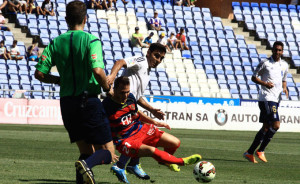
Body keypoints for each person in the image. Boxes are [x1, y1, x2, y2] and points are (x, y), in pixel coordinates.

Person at [34, 1, 118, 184]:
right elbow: (97, 70)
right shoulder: (91, 40)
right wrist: (107, 87)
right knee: (108, 153)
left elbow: (39, 73)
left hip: (67, 103)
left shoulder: (55, 43)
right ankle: (87, 166)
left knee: (86, 152)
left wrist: (58, 80)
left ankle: (84, 169)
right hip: (88, 101)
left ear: (66, 20)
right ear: (85, 19)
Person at [103, 76, 202, 183]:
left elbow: (136, 114)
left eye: (127, 92)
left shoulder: (130, 98)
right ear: (115, 89)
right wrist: (108, 148)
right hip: (125, 140)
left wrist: (155, 122)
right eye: (122, 92)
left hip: (141, 129)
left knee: (175, 142)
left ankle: (165, 161)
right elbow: (101, 127)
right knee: (151, 151)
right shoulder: (106, 105)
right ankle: (181, 161)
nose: (125, 95)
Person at [106, 43, 167, 183]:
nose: (158, 60)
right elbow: (120, 62)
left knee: (137, 133)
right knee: (137, 133)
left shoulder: (147, 73)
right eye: (156, 55)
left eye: (161, 58)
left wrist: (152, 110)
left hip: (129, 105)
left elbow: (137, 96)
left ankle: (132, 164)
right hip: (121, 105)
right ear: (148, 52)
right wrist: (112, 76)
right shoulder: (141, 61)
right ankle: (122, 165)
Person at [243, 41, 289, 163]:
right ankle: (261, 150)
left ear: (282, 51)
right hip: (266, 98)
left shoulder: (284, 65)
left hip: (276, 98)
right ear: (272, 50)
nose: (278, 52)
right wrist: (264, 84)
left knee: (266, 127)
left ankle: (249, 152)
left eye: (280, 50)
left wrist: (284, 88)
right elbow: (253, 77)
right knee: (276, 125)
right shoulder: (265, 63)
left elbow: (284, 79)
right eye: (276, 50)